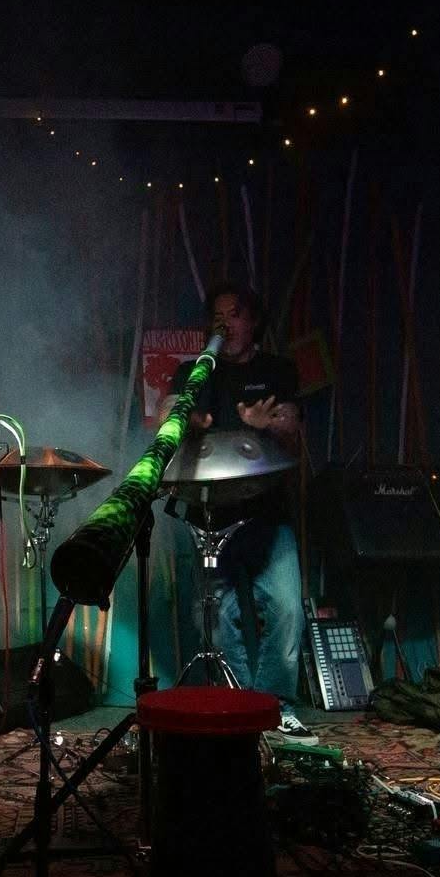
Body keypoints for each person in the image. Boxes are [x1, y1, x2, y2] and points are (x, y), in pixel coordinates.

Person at [162, 283, 311, 736]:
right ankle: (238, 704)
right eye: (218, 316)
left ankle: (275, 705)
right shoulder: (196, 371)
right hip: (209, 515)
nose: (225, 324)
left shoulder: (276, 370)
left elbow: (291, 429)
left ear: (253, 322)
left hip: (266, 511)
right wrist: (183, 417)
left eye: (235, 314)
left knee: (285, 607)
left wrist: (268, 425)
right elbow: (166, 411)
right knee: (214, 617)